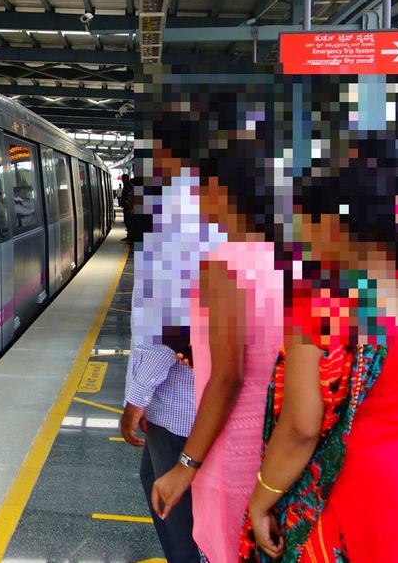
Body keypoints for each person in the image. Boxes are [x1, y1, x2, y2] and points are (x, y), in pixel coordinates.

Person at [243, 140, 398, 562]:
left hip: (364, 500)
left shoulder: (326, 306)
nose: (301, 236)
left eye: (305, 222)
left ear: (337, 224)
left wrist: (261, 498)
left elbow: (301, 429)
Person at [148, 107, 285, 563]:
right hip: (276, 450)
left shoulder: (223, 267)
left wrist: (184, 467)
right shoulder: (288, 259)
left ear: (220, 190)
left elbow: (228, 377)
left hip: (233, 451)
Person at [122, 140, 224, 563]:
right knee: (154, 477)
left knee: (177, 507)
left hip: (181, 406)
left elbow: (164, 325)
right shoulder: (218, 219)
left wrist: (136, 398)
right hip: (203, 400)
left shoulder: (174, 228)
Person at [118, 174, 134, 242]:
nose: (122, 180)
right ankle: (129, 236)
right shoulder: (128, 185)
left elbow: (127, 196)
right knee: (128, 222)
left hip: (128, 207)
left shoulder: (127, 185)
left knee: (128, 222)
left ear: (124, 179)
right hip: (128, 207)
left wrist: (126, 203)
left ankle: (129, 236)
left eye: (122, 178)